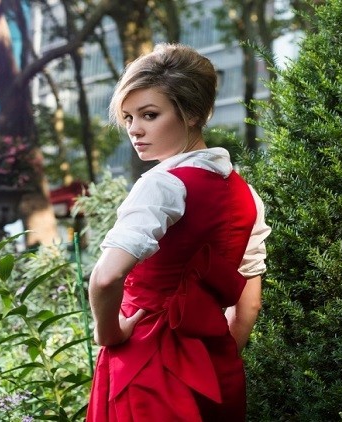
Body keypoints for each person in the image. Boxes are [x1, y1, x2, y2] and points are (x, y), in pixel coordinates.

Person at [87, 43, 271, 422]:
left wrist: (109, 334)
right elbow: (248, 304)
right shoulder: (247, 195)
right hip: (215, 370)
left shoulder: (161, 185)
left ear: (192, 114)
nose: (134, 130)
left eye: (149, 115)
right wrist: (217, 357)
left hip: (143, 371)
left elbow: (105, 277)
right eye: (128, 118)